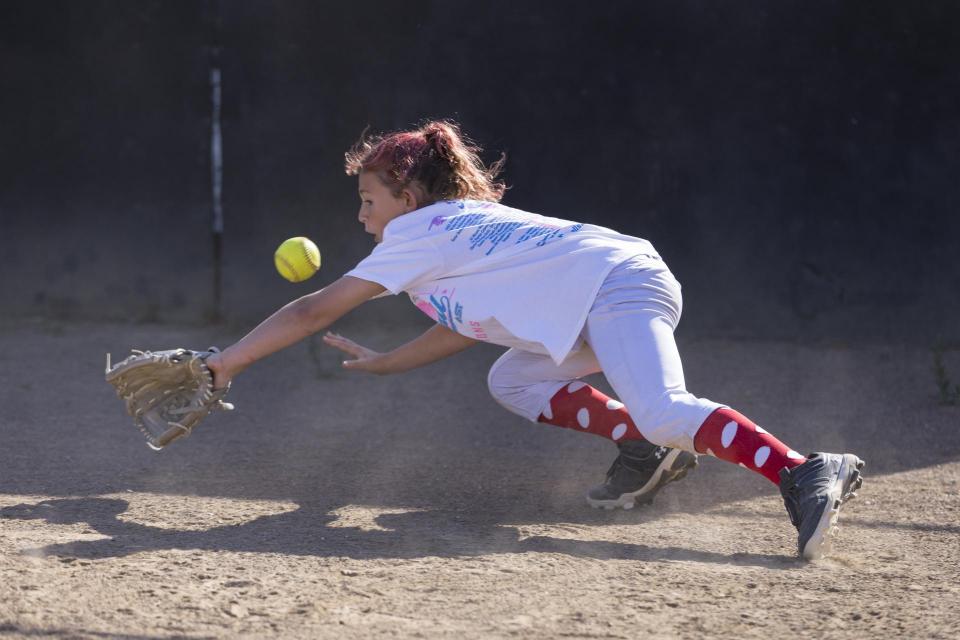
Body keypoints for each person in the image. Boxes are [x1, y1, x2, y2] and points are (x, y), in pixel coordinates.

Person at [206, 120, 864, 561]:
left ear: (406, 198)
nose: (360, 214)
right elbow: (464, 328)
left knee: (666, 406)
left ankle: (802, 470)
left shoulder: (417, 233)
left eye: (369, 199)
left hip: (616, 286)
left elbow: (314, 311)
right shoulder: (446, 234)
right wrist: (387, 364)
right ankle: (641, 446)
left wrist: (224, 365)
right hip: (606, 289)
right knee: (513, 379)